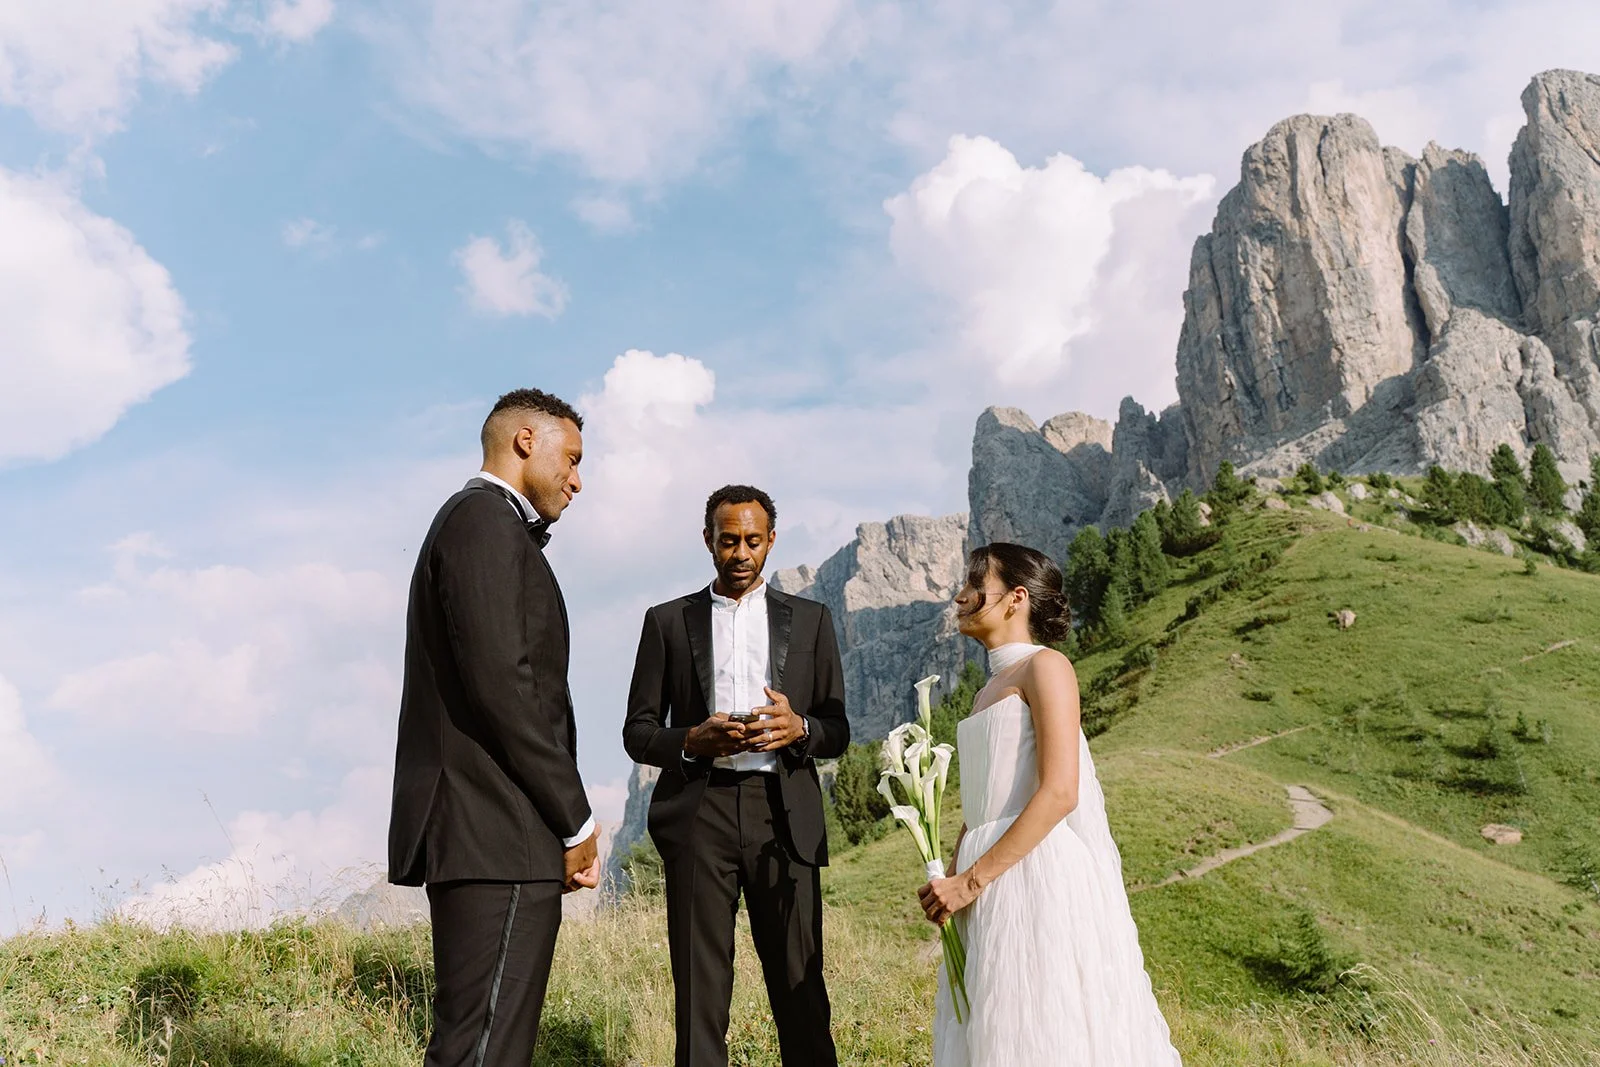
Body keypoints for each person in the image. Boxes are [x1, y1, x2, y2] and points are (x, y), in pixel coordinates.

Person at [387, 388, 602, 1067]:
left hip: (493, 835)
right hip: (497, 833)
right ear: (524, 441)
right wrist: (576, 818)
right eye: (571, 458)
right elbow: (504, 686)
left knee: (476, 1046)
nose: (577, 479)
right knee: (484, 1051)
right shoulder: (482, 523)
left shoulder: (483, 525)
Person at [921, 542, 1181, 1066]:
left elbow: (1061, 791)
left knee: (1037, 1030)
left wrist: (972, 880)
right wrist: (950, 877)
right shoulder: (986, 691)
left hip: (1031, 880)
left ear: (1016, 598)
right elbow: (983, 801)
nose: (961, 596)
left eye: (976, 585)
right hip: (985, 881)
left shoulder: (1047, 667)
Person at [623, 484, 850, 1067]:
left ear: (771, 541)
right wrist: (694, 741)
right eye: (729, 541)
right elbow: (638, 732)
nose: (741, 553)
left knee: (801, 988)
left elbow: (837, 728)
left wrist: (798, 728)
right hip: (702, 813)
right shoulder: (667, 623)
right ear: (708, 542)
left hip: (785, 816)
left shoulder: (813, 620)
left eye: (753, 540)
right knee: (700, 994)